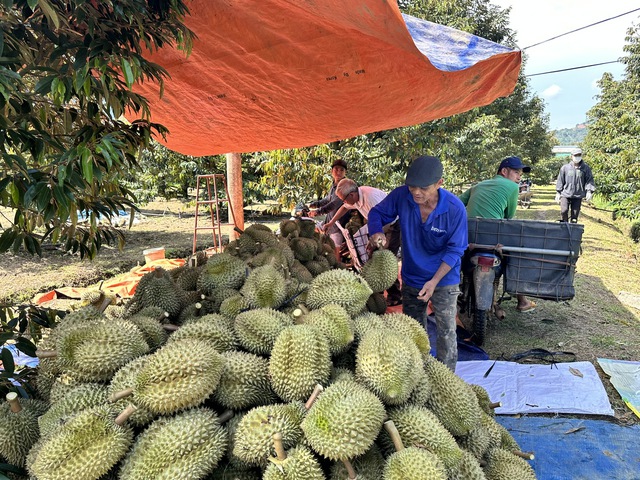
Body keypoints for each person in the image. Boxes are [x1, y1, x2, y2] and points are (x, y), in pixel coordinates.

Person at [367, 155, 468, 372]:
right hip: (412, 277)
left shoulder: (454, 209)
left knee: (446, 331)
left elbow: (455, 250)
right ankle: (418, 374)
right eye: (412, 187)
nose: (416, 192)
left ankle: (446, 376)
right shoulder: (402, 196)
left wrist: (434, 282)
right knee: (413, 331)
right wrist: (376, 231)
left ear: (440, 183)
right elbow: (377, 212)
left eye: (423, 188)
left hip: (443, 280)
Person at [458, 156, 537, 313]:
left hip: (470, 236)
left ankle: (460, 289)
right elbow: (509, 217)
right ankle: (522, 301)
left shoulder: (478, 185)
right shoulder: (512, 187)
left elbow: (458, 203)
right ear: (504, 171)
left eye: (520, 173)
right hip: (494, 238)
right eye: (516, 172)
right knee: (515, 258)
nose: (519, 176)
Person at [323, 178, 402, 305]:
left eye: (344, 199)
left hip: (392, 225)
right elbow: (344, 208)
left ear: (352, 195)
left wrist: (375, 238)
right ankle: (378, 291)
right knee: (372, 257)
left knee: (386, 257)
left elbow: (387, 219)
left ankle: (395, 296)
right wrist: (331, 222)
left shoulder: (371, 198)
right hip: (378, 227)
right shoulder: (355, 197)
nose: (343, 202)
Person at [308, 159, 350, 257]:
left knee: (336, 253)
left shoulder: (344, 186)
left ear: (345, 172)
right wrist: (315, 204)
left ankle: (339, 271)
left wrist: (318, 212)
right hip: (330, 222)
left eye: (342, 170)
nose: (339, 172)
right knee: (312, 228)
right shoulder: (334, 185)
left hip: (339, 225)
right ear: (332, 171)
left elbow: (334, 204)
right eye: (336, 169)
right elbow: (328, 199)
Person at [555, 148, 596, 223]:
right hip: (565, 194)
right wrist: (558, 192)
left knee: (574, 217)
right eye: (575, 155)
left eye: (579, 155)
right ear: (571, 156)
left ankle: (572, 232)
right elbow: (560, 180)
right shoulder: (565, 168)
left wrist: (589, 191)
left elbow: (589, 180)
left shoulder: (585, 168)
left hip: (578, 195)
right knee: (564, 211)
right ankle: (564, 226)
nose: (577, 157)